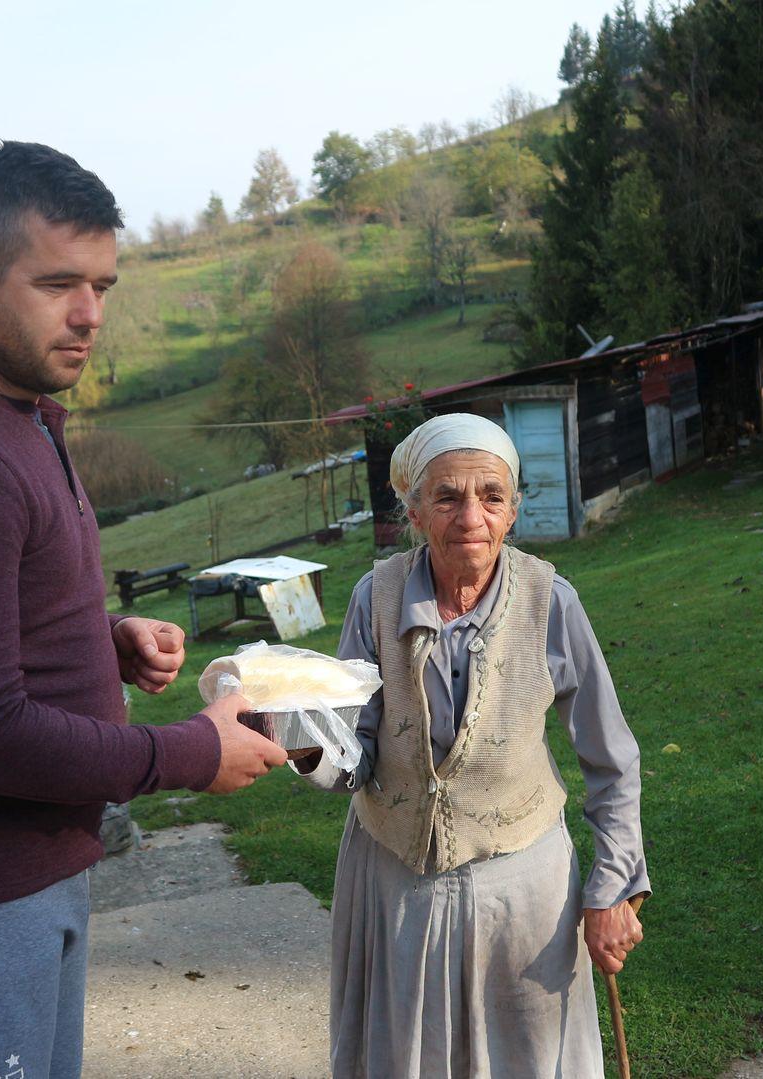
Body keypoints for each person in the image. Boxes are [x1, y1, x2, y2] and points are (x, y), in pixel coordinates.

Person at [0, 141, 285, 1079]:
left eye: (104, 285)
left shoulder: (12, 409)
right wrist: (192, 751)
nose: (90, 315)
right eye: (59, 283)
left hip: (21, 870)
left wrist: (100, 644)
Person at [292, 412, 648, 1077]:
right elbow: (354, 749)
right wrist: (309, 748)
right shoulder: (376, 599)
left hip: (524, 894)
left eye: (491, 496)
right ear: (415, 511)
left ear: (513, 510)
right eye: (448, 496)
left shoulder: (551, 601)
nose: (471, 516)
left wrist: (613, 887)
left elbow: (612, 759)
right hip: (397, 891)